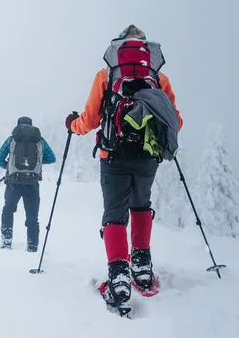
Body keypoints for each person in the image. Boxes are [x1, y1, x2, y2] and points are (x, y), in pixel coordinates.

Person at [65, 25, 183, 311]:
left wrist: (73, 124)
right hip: (147, 157)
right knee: (141, 205)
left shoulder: (105, 76)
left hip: (113, 155)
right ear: (145, 50)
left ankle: (119, 275)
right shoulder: (158, 77)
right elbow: (175, 121)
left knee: (115, 214)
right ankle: (142, 269)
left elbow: (91, 119)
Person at [0, 116, 56, 252]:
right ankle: (32, 246)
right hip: (32, 183)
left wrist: (10, 168)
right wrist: (37, 163)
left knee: (8, 209)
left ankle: (6, 241)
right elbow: (52, 158)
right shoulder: (40, 142)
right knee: (33, 216)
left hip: (13, 182)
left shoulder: (11, 140)